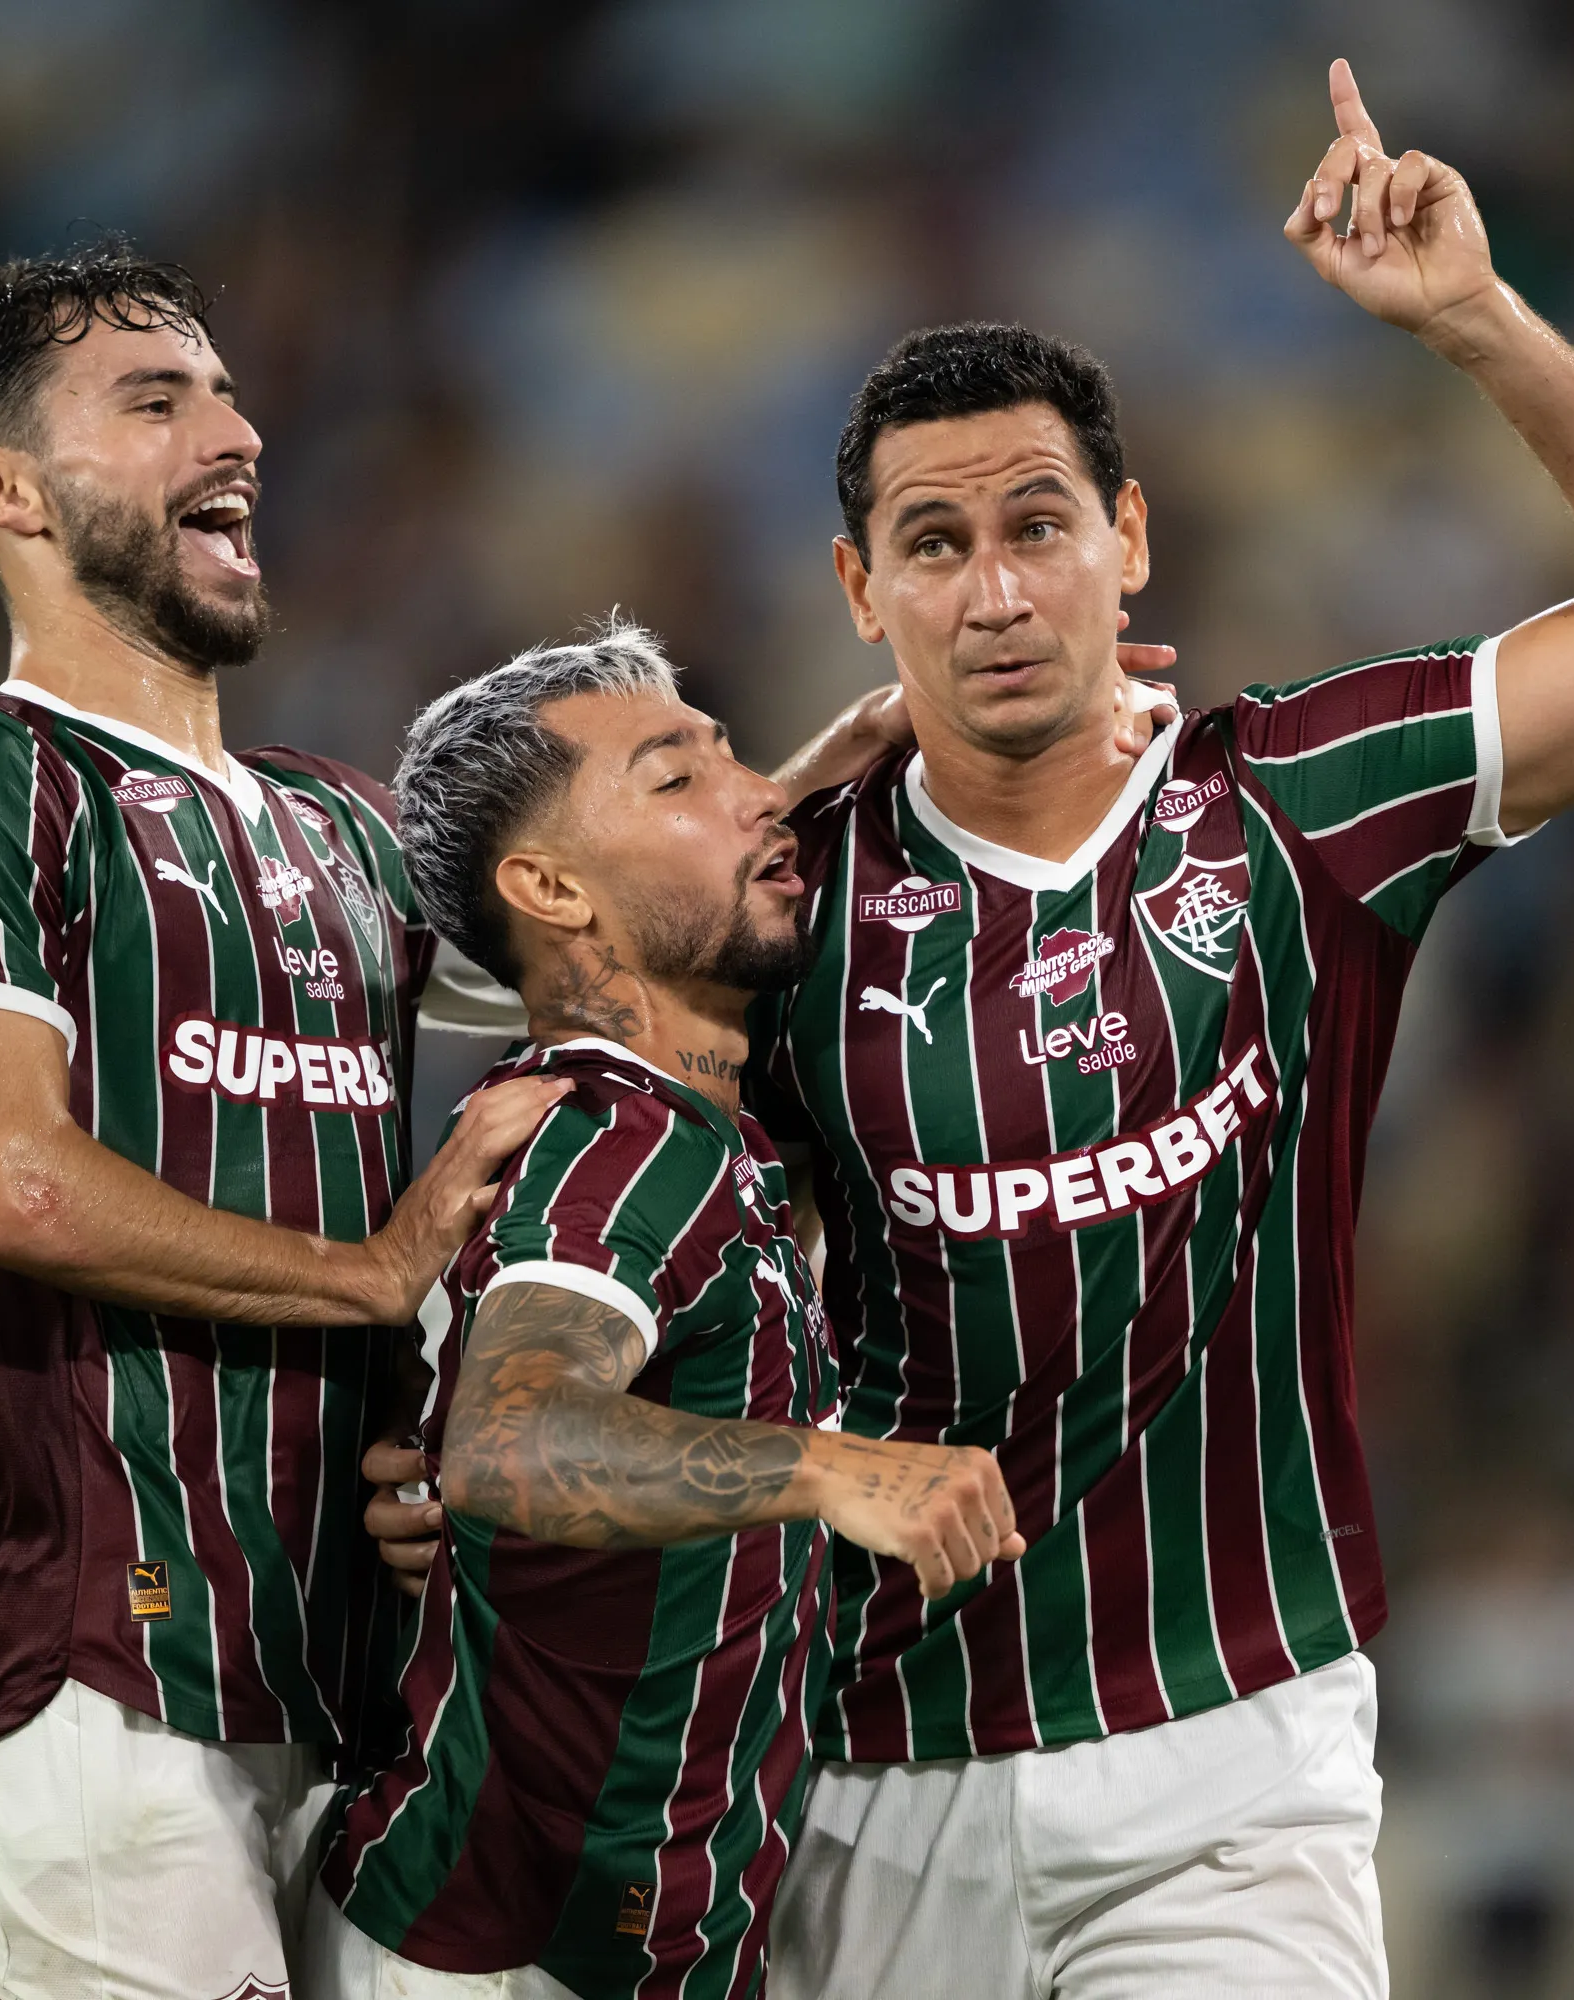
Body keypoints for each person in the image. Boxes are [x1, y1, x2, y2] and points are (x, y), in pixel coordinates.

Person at [738, 57, 1574, 1997]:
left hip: (1233, 1759)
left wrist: (1478, 323)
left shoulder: (1293, 807)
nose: (996, 590)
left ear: (1130, 539)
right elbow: (473, 960)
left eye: (1040, 523)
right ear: (857, 587)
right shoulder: (778, 901)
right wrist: (769, 793)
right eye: (932, 543)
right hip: (873, 1770)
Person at [0, 238, 567, 2000]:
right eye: (157, 400)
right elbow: (0, 1180)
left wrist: (848, 792)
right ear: (6, 488)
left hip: (363, 1687)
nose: (236, 431)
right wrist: (374, 1272)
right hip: (116, 1684)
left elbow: (620, 943)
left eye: (230, 393)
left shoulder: (335, 822)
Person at [305, 623, 1028, 2000]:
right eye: (676, 776)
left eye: (734, 755)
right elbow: (507, 1442)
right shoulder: (617, 1143)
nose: (756, 792)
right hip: (494, 1958)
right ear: (548, 888)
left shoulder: (697, 1133)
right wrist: (832, 1470)